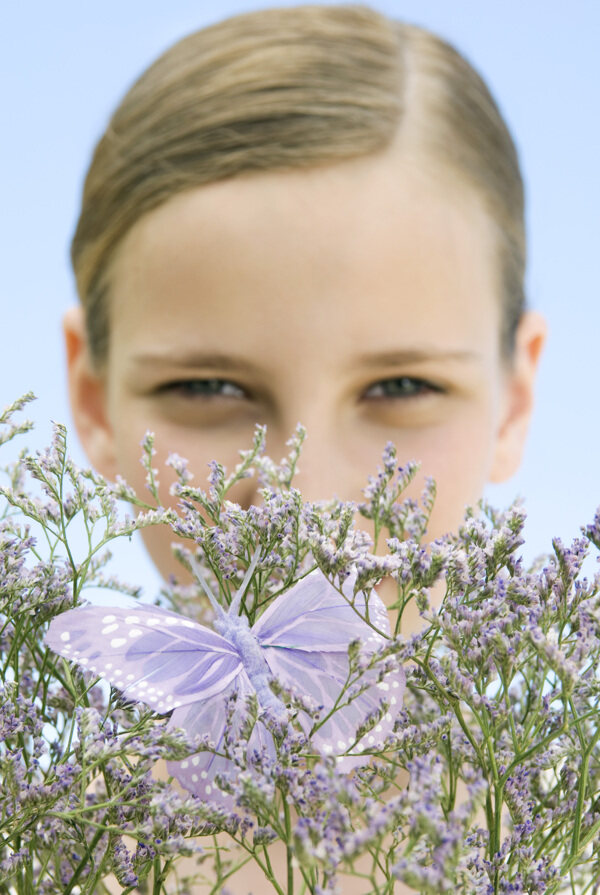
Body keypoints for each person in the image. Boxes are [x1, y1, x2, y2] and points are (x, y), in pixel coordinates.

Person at [63, 6, 545, 889]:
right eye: (207, 389)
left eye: (402, 388)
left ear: (516, 398)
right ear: (91, 401)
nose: (308, 507)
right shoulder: (47, 847)